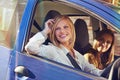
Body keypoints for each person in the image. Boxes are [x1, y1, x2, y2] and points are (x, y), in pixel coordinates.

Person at [25, 15, 119, 79]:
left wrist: (113, 69)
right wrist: (46, 31)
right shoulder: (52, 50)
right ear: (53, 32)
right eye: (57, 29)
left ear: (72, 30)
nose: (62, 31)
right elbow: (30, 47)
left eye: (66, 27)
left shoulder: (76, 53)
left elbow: (94, 71)